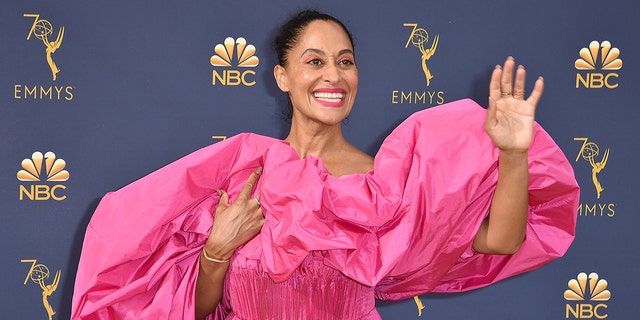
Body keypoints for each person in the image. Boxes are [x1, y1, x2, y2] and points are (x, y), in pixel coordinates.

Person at [71, 10, 579, 320]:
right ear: (283, 76)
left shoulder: (386, 185)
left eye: (345, 60)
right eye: (314, 60)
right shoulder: (240, 171)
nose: (333, 74)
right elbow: (199, 310)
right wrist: (216, 250)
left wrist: (513, 155)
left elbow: (502, 241)